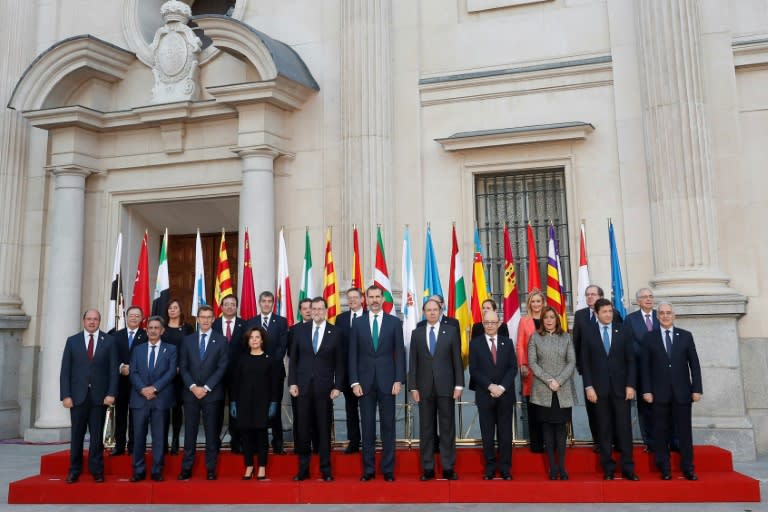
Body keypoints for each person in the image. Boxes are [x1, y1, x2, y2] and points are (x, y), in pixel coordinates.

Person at [349, 285, 406, 482]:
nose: (374, 300)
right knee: (367, 427)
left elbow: (399, 352)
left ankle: (388, 470)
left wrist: (399, 379)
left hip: (388, 382)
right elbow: (352, 355)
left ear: (383, 299)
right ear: (366, 299)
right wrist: (354, 381)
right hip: (364, 383)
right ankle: (369, 470)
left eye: (377, 297)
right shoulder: (357, 323)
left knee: (388, 427)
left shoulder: (394, 322)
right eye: (370, 296)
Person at [641, 301, 702, 481]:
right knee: (661, 432)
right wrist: (646, 390)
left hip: (682, 393)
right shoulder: (649, 338)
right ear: (657, 316)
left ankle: (688, 468)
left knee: (684, 432)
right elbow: (644, 367)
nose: (665, 316)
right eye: (662, 313)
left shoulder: (685, 336)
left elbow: (695, 365)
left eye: (668, 313)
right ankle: (665, 468)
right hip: (658, 394)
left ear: (674, 315)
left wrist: (696, 389)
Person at [580, 299, 639, 481]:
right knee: (604, 429)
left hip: (621, 390)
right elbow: (585, 363)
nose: (608, 314)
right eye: (604, 311)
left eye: (610, 311)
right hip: (598, 391)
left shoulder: (623, 331)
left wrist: (631, 385)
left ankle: (628, 468)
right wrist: (588, 386)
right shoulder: (588, 333)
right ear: (596, 313)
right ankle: (608, 468)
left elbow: (631, 360)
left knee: (624, 429)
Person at [289, 297, 345, 481]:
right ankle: (303, 470)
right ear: (310, 311)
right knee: (303, 430)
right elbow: (293, 361)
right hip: (303, 388)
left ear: (326, 311)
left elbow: (340, 363)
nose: (317, 312)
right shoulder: (299, 331)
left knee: (323, 429)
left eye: (321, 309)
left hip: (325, 389)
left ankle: (325, 469)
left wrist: (338, 387)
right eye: (314, 309)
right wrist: (293, 383)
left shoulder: (335, 332)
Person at [59, 309, 118, 483]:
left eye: (95, 319)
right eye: (89, 319)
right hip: (77, 397)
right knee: (76, 436)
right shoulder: (73, 341)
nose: (92, 322)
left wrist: (111, 393)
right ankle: (74, 470)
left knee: (97, 437)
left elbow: (113, 371)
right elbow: (65, 372)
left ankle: (96, 470)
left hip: (100, 398)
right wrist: (66, 395)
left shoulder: (109, 341)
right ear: (84, 320)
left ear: (99, 321)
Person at [408, 298, 464, 481]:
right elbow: (413, 363)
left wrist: (459, 385)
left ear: (440, 311)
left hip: (447, 387)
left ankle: (448, 467)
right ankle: (428, 468)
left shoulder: (451, 331)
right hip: (424, 388)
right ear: (424, 312)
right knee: (426, 429)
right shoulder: (416, 333)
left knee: (447, 428)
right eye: (428, 310)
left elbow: (457, 360)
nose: (432, 312)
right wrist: (413, 387)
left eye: (435, 309)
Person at [178, 304, 229, 480]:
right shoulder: (187, 340)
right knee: (190, 432)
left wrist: (206, 388)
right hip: (191, 394)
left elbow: (222, 368)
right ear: (197, 319)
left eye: (209, 317)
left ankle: (211, 468)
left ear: (213, 319)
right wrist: (193, 387)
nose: (206, 320)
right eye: (203, 317)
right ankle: (186, 468)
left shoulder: (221, 340)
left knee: (211, 433)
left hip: (212, 394)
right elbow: (183, 367)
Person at [572, 285, 623, 450]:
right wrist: (581, 368)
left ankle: (616, 440)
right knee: (593, 409)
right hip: (590, 372)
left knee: (613, 409)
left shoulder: (613, 314)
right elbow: (577, 343)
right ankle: (599, 441)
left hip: (612, 374)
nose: (589, 297)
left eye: (593, 294)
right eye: (587, 295)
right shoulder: (580, 316)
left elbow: (620, 342)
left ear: (601, 296)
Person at [528, 305, 576, 480]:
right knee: (547, 430)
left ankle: (562, 468)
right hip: (543, 390)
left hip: (562, 390)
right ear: (542, 320)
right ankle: (552, 468)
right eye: (546, 317)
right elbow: (532, 363)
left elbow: (571, 362)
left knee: (561, 431)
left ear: (557, 319)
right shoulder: (534, 337)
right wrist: (549, 380)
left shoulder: (566, 337)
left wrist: (559, 381)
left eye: (552, 317)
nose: (549, 320)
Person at [469, 309, 518, 480]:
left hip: (505, 395)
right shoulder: (475, 344)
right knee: (487, 434)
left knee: (505, 434)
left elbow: (513, 368)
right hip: (485, 394)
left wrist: (502, 387)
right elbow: (474, 371)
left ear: (499, 324)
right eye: (486, 322)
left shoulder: (507, 342)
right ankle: (489, 468)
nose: (489, 325)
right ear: (483, 324)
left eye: (493, 322)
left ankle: (505, 468)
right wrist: (490, 386)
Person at [128, 316, 177, 482]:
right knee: (138, 437)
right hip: (139, 399)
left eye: (157, 328)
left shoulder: (170, 349)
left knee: (159, 437)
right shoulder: (137, 349)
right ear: (146, 330)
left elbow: (171, 372)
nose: (153, 330)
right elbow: (133, 372)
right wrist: (143, 389)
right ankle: (138, 471)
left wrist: (154, 388)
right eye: (150, 328)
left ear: (162, 331)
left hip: (160, 399)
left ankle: (157, 470)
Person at [230, 326, 282, 480]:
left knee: (261, 436)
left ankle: (261, 467)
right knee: (246, 436)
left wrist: (273, 403)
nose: (254, 340)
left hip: (263, 404)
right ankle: (249, 465)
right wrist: (233, 402)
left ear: (262, 340)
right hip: (244, 403)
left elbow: (274, 385)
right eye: (251, 337)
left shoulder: (270, 360)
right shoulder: (241, 360)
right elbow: (235, 383)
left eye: (257, 337)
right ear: (248, 341)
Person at [247, 291, 289, 454]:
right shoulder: (251, 322)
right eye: (263, 301)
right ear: (259, 302)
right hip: (254, 374)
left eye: (269, 301)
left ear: (273, 303)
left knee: (275, 408)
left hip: (275, 372)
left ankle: (278, 443)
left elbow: (282, 347)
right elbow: (248, 345)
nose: (266, 304)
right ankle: (258, 443)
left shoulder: (281, 322)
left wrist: (268, 363)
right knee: (256, 408)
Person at [624, 287, 659, 452]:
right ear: (638, 301)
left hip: (661, 370)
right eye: (645, 297)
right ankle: (649, 441)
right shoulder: (631, 319)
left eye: (651, 296)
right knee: (645, 407)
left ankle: (664, 439)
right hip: (640, 368)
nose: (648, 299)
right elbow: (629, 345)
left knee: (662, 405)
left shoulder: (662, 316)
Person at [212, 294, 246, 453]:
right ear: (221, 306)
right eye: (226, 304)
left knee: (236, 408)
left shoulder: (244, 325)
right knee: (216, 408)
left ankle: (236, 440)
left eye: (233, 304)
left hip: (238, 374)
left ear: (236, 307)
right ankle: (215, 440)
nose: (230, 307)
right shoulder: (214, 324)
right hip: (216, 374)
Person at [333, 287, 365, 454]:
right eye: (349, 298)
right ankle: (354, 441)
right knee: (350, 409)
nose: (351, 300)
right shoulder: (341, 319)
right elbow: (339, 348)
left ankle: (368, 440)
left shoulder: (369, 316)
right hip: (347, 373)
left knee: (367, 409)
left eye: (355, 297)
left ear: (362, 299)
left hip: (367, 372)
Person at [112, 306, 147, 456]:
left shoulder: (145, 336)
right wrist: (121, 367)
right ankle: (119, 445)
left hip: (137, 383)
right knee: (120, 415)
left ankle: (133, 446)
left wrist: (131, 368)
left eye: (137, 316)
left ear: (141, 319)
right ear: (126, 317)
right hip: (120, 382)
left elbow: (146, 357)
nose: (133, 318)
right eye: (131, 315)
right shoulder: (116, 335)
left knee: (135, 416)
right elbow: (112, 356)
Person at [161, 298, 194, 455]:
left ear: (181, 310)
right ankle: (164, 441)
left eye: (175, 307)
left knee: (177, 408)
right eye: (170, 308)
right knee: (165, 407)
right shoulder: (162, 329)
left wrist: (182, 366)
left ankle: (175, 440)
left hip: (182, 375)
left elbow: (191, 350)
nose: (172, 310)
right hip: (165, 374)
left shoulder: (188, 328)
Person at [515, 289, 546, 452]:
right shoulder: (524, 321)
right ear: (529, 304)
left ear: (543, 303)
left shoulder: (551, 319)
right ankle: (536, 444)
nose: (535, 304)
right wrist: (522, 364)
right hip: (531, 371)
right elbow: (520, 344)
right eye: (532, 302)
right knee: (534, 408)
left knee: (549, 408)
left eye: (538, 301)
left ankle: (550, 442)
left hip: (550, 371)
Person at [287, 297, 313, 454]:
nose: (308, 311)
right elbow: (292, 357)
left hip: (319, 380)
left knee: (317, 416)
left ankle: (317, 447)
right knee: (299, 414)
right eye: (305, 308)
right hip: (299, 380)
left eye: (311, 307)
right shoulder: (294, 330)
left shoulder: (325, 328)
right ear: (300, 311)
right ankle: (299, 446)